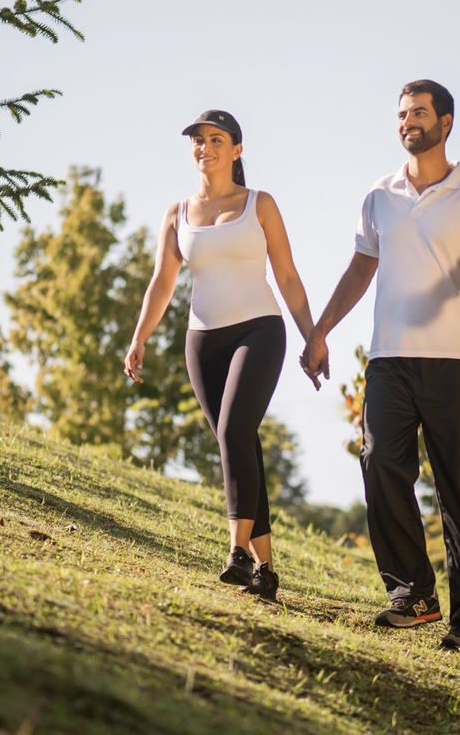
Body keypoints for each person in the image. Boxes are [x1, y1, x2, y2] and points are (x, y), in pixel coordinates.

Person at [302, 80, 460, 653]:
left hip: (453, 360)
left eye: (419, 112)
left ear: (446, 122)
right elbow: (359, 270)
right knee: (381, 462)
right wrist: (320, 330)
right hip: (389, 358)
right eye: (401, 114)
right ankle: (414, 592)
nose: (408, 121)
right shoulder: (380, 195)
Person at [125, 109, 317, 601]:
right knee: (240, 443)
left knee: (234, 430)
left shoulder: (260, 204)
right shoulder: (177, 213)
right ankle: (266, 570)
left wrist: (312, 336)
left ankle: (235, 552)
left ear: (237, 149)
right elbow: (162, 283)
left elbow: (289, 277)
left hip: (260, 330)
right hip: (202, 340)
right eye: (197, 140)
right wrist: (140, 336)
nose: (204, 147)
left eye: (215, 139)